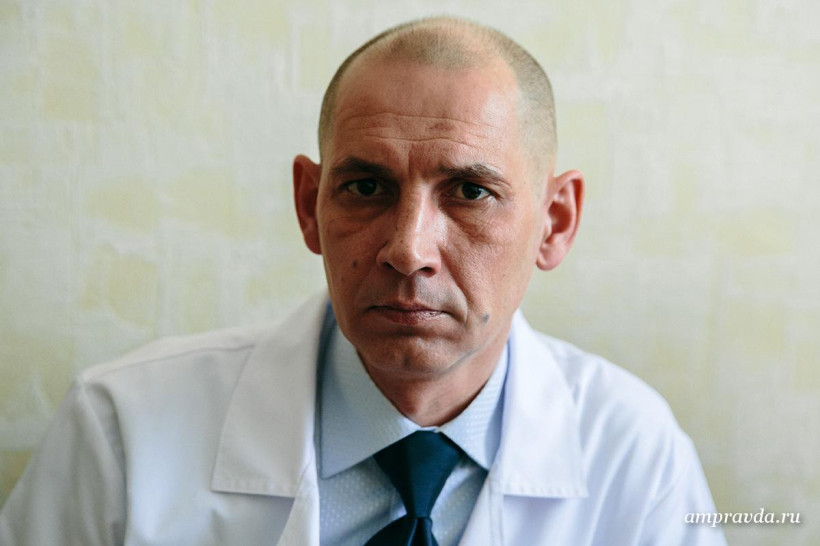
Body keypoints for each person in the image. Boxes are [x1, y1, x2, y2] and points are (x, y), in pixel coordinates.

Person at [0, 16, 727, 545]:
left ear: (554, 223)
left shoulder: (636, 453)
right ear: (308, 206)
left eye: (470, 192)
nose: (409, 251)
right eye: (367, 187)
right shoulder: (121, 432)